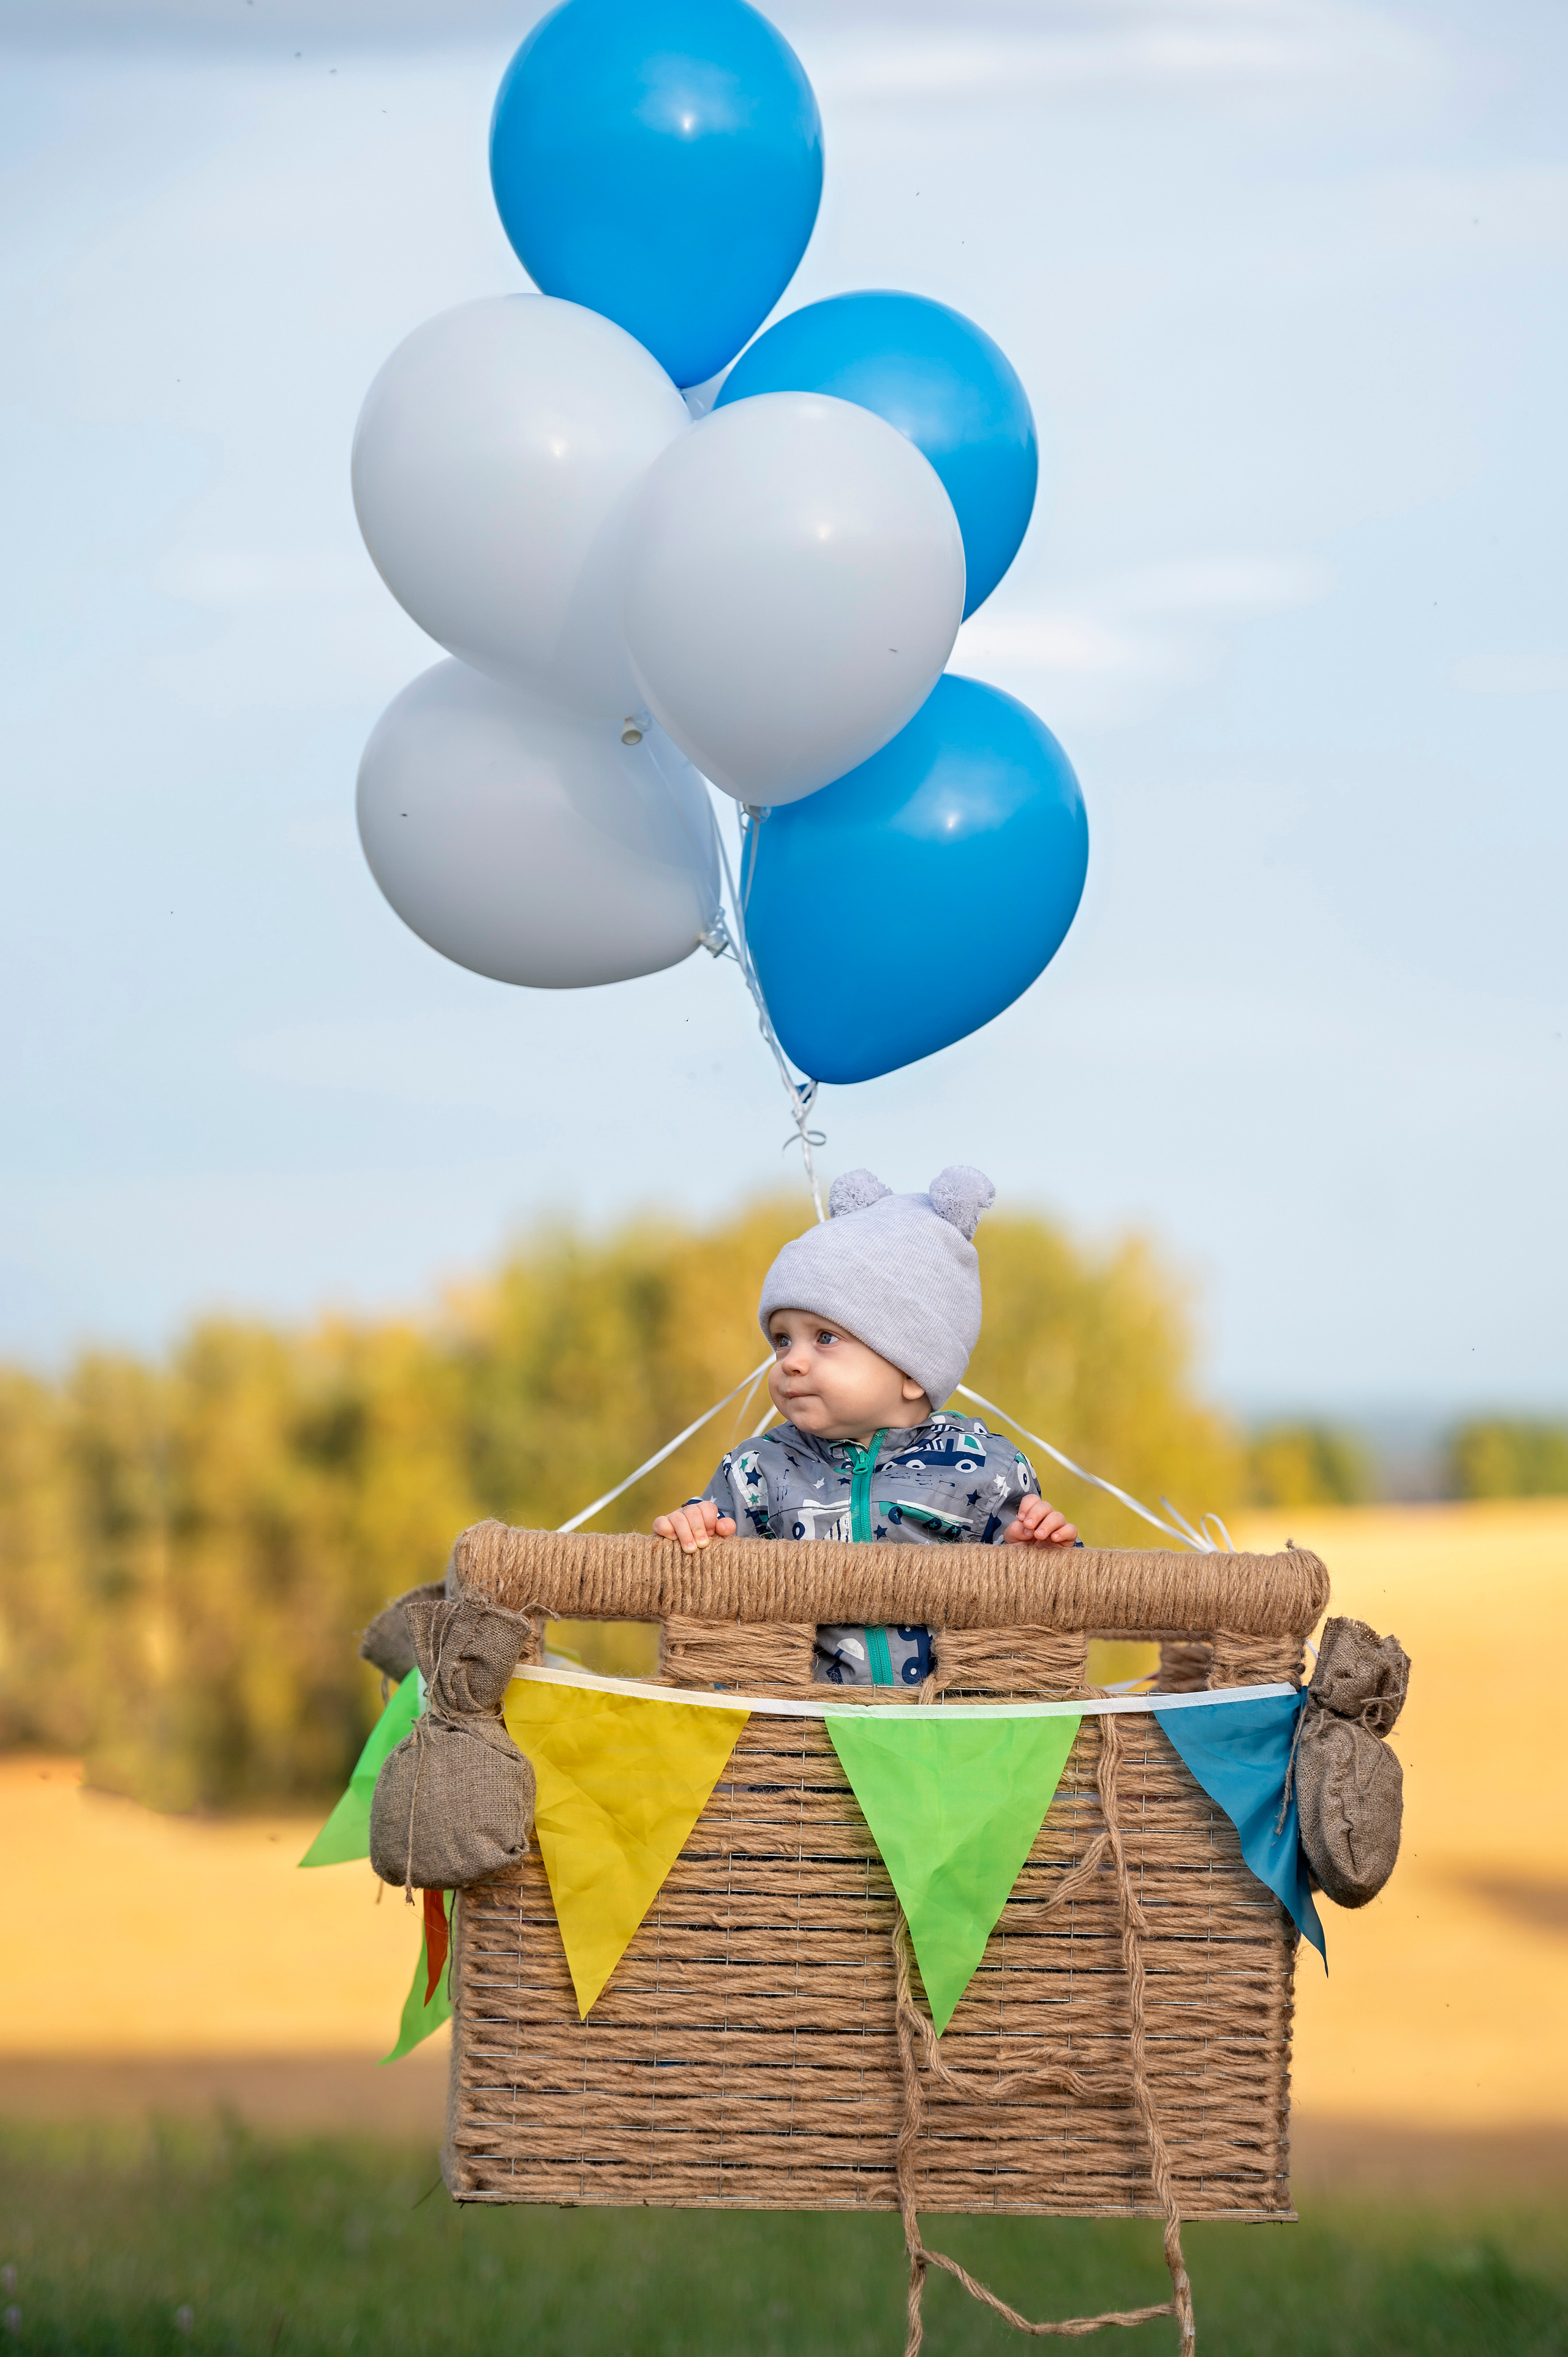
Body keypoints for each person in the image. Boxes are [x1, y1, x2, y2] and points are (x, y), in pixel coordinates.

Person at [652, 1166, 1079, 1685]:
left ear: (913, 1371)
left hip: (947, 1725)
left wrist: (1035, 1553)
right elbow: (710, 1578)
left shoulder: (986, 1468)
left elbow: (1040, 1614)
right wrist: (696, 1527)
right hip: (798, 1726)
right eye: (783, 1339)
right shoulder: (757, 1470)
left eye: (825, 1338)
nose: (791, 1361)